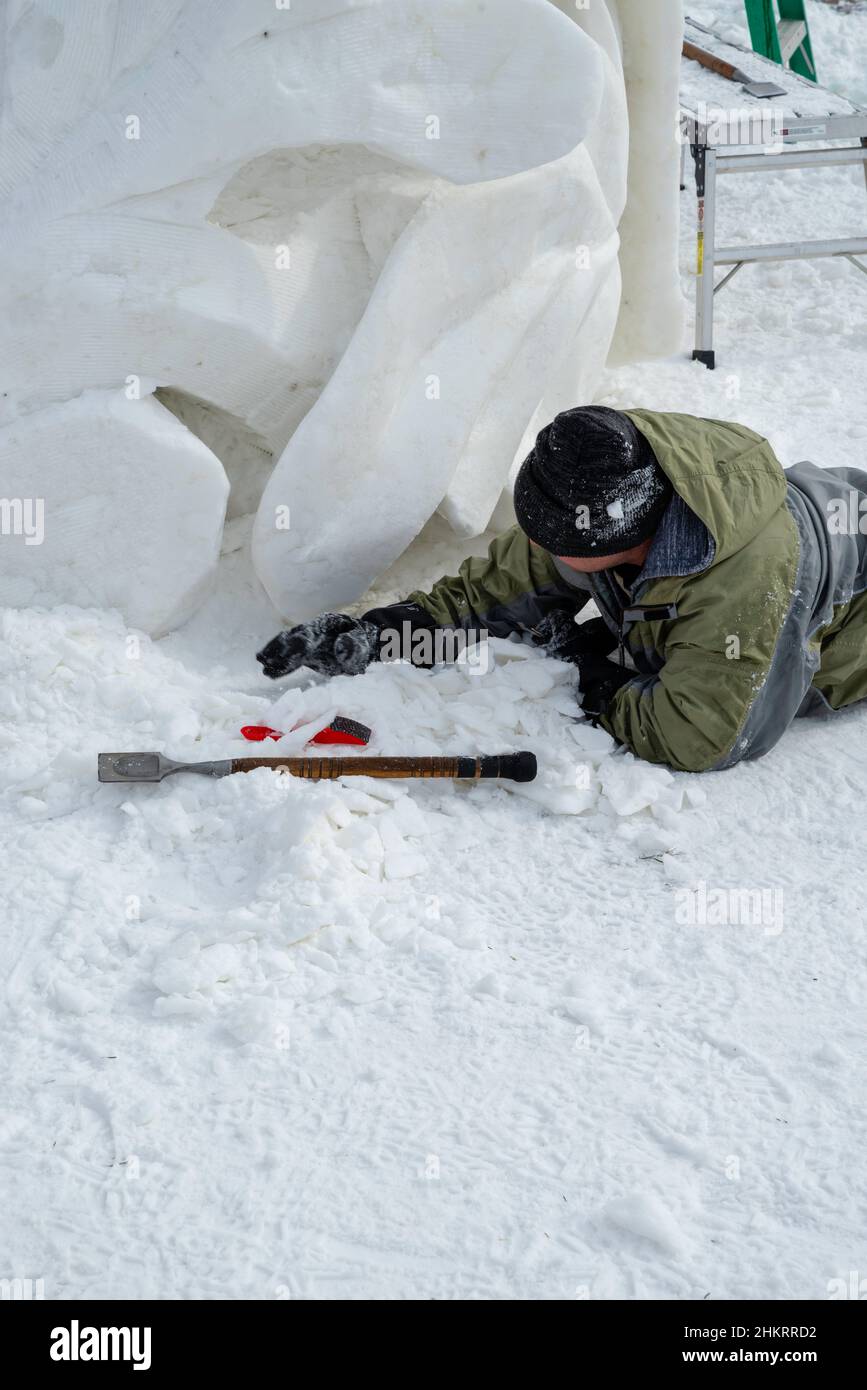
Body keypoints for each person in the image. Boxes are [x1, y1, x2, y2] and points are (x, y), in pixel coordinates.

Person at [256, 407, 867, 772]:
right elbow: (493, 594)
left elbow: (704, 737)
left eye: (553, 543)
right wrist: (384, 634)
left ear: (622, 540)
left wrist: (592, 678)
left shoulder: (744, 589)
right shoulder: (606, 475)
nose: (540, 552)